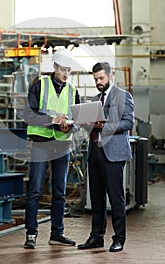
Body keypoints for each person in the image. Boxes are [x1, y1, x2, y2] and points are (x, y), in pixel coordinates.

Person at [23, 48, 80, 249]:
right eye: (63, 69)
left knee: (60, 191)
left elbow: (78, 119)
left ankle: (57, 233)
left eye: (69, 71)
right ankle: (31, 233)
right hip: (41, 141)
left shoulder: (73, 91)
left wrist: (71, 124)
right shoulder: (40, 85)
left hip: (62, 142)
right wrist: (52, 120)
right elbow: (28, 115)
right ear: (54, 67)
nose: (66, 74)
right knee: (35, 190)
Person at [78, 62, 134, 253]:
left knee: (116, 199)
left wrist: (104, 126)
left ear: (111, 76)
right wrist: (85, 123)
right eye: (95, 79)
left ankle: (119, 238)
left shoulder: (123, 96)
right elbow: (92, 126)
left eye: (101, 78)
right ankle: (96, 236)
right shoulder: (95, 100)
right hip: (95, 152)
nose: (98, 82)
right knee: (96, 198)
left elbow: (128, 122)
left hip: (113, 154)